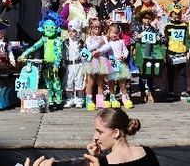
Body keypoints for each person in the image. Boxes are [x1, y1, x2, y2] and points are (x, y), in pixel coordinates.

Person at [25, 109, 159, 166]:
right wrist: (98, 156)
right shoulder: (147, 152)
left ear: (116, 133)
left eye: (100, 132)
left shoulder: (105, 163)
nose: (95, 137)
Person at [132, 10, 165, 103]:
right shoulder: (138, 28)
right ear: (142, 19)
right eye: (145, 18)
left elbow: (162, 38)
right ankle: (143, 92)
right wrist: (138, 36)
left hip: (151, 51)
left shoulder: (154, 29)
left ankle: (151, 92)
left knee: (150, 71)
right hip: (141, 51)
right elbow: (132, 40)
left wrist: (159, 38)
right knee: (142, 72)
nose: (147, 20)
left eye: (149, 18)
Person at [163, 4, 190, 101]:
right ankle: (171, 92)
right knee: (171, 73)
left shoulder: (184, 25)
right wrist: (165, 53)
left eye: (178, 14)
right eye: (174, 14)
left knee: (182, 73)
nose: (176, 16)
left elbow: (186, 39)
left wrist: (188, 50)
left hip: (182, 52)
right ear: (171, 15)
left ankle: (182, 91)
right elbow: (166, 40)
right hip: (171, 52)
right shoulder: (168, 26)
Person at [100, 24, 133, 109]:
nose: (114, 35)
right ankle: (112, 98)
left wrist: (124, 56)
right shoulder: (108, 43)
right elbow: (104, 52)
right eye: (112, 33)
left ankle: (125, 97)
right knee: (112, 82)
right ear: (109, 33)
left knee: (122, 83)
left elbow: (126, 51)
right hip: (112, 63)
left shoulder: (121, 42)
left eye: (116, 33)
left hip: (121, 64)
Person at [83, 18, 110, 111]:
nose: (97, 28)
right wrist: (98, 43)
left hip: (102, 60)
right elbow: (89, 47)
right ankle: (89, 100)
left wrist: (99, 50)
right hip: (92, 61)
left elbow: (108, 46)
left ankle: (100, 101)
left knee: (100, 82)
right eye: (95, 27)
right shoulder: (89, 38)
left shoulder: (104, 37)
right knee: (90, 81)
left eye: (99, 27)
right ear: (91, 28)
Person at [63, 20, 86, 108]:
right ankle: (69, 99)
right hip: (69, 65)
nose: (71, 33)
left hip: (78, 64)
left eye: (73, 31)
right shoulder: (65, 42)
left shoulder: (81, 43)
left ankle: (79, 99)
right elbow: (63, 54)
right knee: (68, 81)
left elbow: (84, 54)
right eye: (69, 31)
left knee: (79, 81)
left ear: (78, 32)